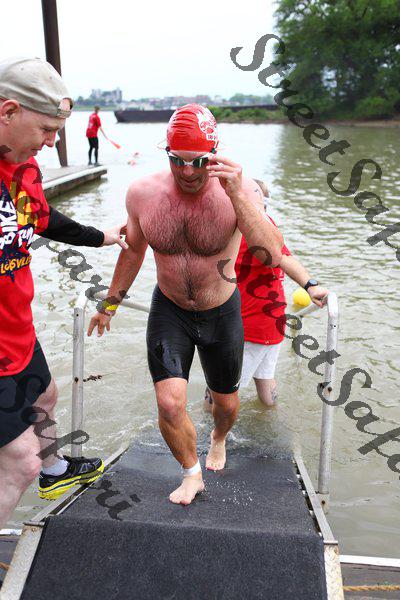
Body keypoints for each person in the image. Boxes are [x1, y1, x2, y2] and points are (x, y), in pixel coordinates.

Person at [88, 104, 283, 506]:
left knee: (225, 404)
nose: (188, 171)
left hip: (221, 311)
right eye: (177, 160)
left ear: (214, 153)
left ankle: (219, 437)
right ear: (166, 153)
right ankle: (191, 473)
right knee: (169, 402)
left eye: (198, 161)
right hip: (170, 309)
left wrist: (237, 195)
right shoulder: (143, 193)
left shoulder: (240, 190)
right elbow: (133, 252)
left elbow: (271, 256)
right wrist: (109, 304)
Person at [0, 57, 128, 529]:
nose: (53, 142)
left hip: (16, 328)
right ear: (9, 111)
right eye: (47, 129)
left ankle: (55, 472)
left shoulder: (23, 165)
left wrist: (101, 237)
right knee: (20, 461)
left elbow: (42, 218)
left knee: (46, 396)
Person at [204, 183, 329, 408]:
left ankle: (208, 426)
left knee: (219, 391)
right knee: (264, 380)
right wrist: (310, 285)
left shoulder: (244, 231)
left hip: (248, 326)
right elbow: (285, 257)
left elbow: (282, 259)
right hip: (273, 321)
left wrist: (310, 286)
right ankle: (271, 418)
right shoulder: (267, 225)